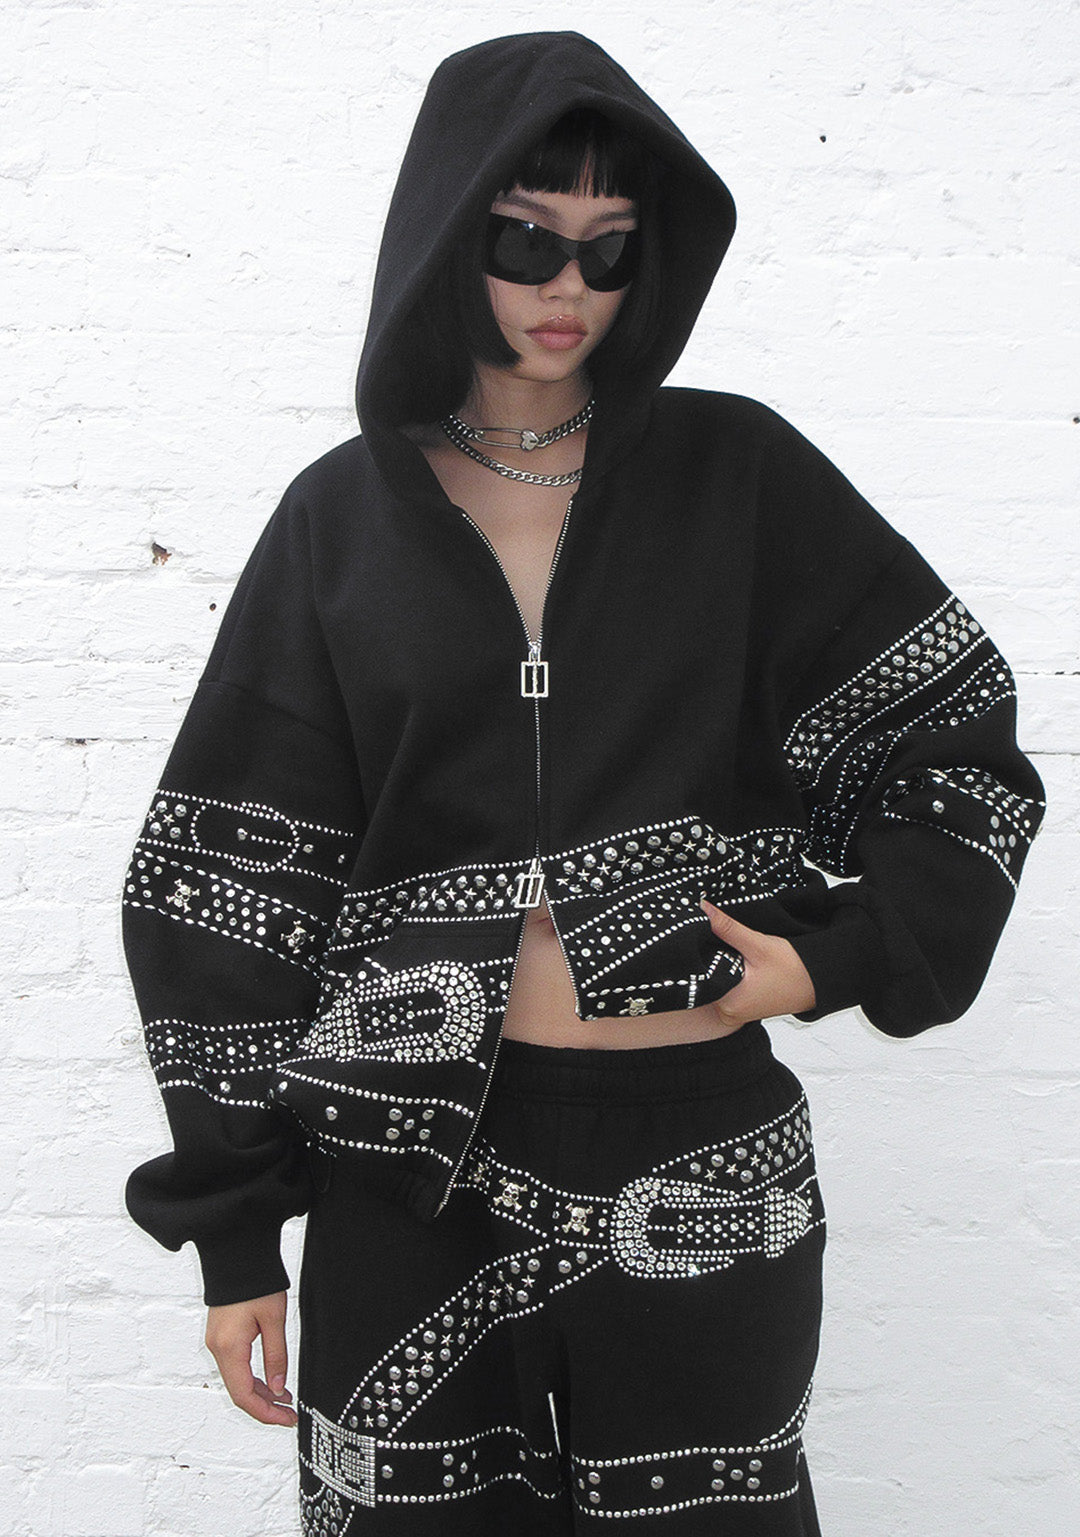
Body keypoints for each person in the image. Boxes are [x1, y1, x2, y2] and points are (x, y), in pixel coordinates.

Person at [122, 31, 1045, 1536]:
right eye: (525, 239)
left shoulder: (740, 477)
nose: (568, 286)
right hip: (408, 1171)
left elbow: (957, 750)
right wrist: (234, 1236)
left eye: (609, 249)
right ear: (449, 234)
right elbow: (223, 881)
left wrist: (839, 955)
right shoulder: (341, 521)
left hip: (700, 1153)